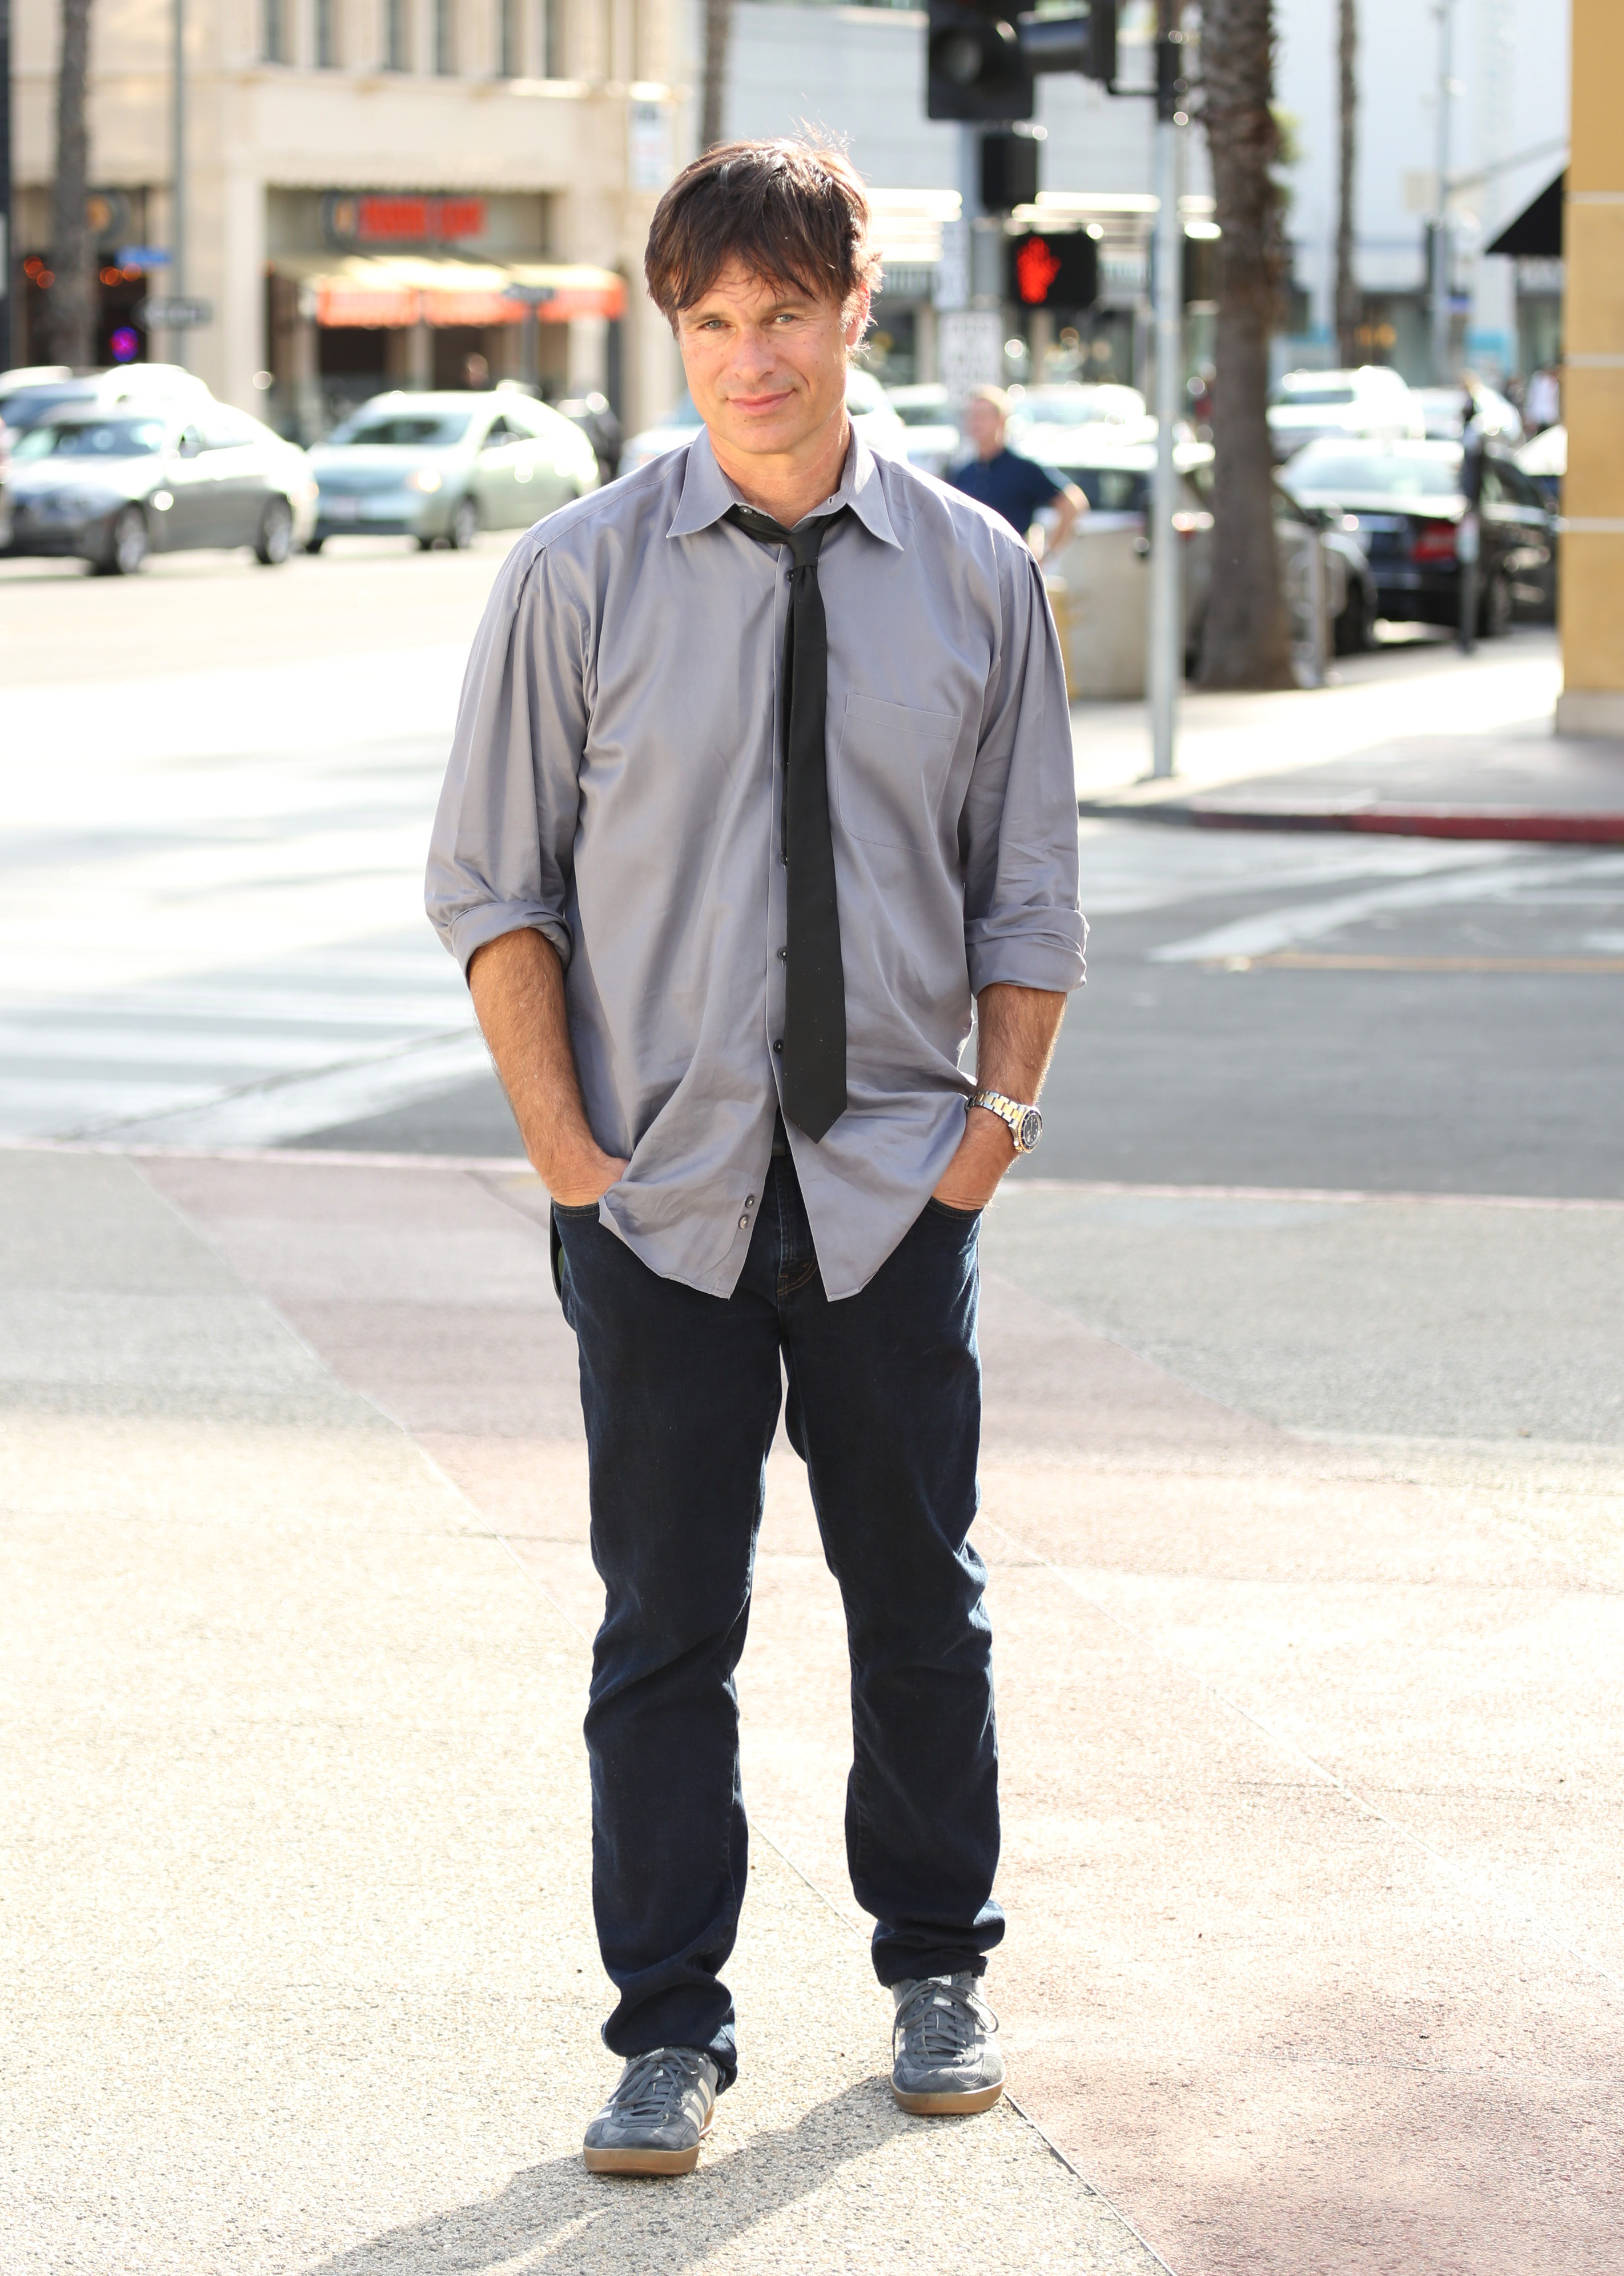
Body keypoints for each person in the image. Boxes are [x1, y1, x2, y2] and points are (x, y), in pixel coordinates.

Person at [426, 139, 1086, 2178]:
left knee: (919, 1598)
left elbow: (1032, 897)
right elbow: (493, 889)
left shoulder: (978, 576)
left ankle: (936, 1965)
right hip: (662, 1197)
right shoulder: (575, 576)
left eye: (783, 313)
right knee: (663, 1624)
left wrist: (985, 1143)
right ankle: (667, 2031)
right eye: (710, 321)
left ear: (854, 314)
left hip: (896, 1188)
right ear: (675, 328)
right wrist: (567, 1153)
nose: (748, 359)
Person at [945, 384, 1087, 556]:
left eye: (982, 416)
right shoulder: (963, 473)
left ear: (1001, 420)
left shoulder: (1023, 468)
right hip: (973, 570)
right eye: (972, 416)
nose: (976, 423)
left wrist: (1048, 554)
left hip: (1011, 570)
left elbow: (1073, 503)